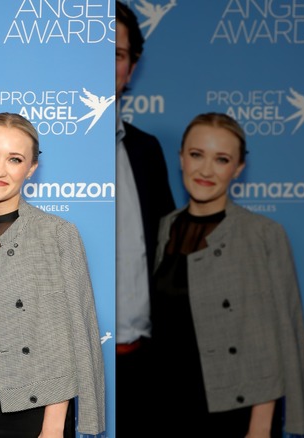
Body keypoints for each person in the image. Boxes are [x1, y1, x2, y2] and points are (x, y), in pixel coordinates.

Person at [149, 113, 304, 437]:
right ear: (181, 158)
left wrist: (261, 426)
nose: (206, 170)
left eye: (221, 159)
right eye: (197, 155)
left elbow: (279, 335)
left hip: (233, 411)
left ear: (238, 168)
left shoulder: (262, 234)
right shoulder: (165, 227)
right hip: (167, 405)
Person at [0, 113, 105, 438]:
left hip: (27, 410)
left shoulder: (55, 234)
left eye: (14, 159)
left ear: (31, 168)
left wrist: (53, 427)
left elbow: (71, 338)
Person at [113, 2, 176, 435]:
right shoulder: (35, 149)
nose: (105, 66)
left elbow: (166, 252)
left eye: (116, 55)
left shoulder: (147, 151)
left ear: (131, 68)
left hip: (140, 363)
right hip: (63, 370)